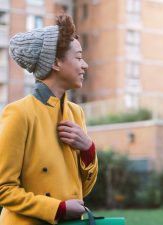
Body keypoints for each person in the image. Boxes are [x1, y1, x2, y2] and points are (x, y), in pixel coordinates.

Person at [0, 14, 98, 225]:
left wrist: (88, 149)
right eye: (79, 57)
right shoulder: (19, 113)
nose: (85, 65)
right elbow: (4, 189)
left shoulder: (76, 112)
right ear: (55, 62)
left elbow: (81, 190)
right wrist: (58, 208)